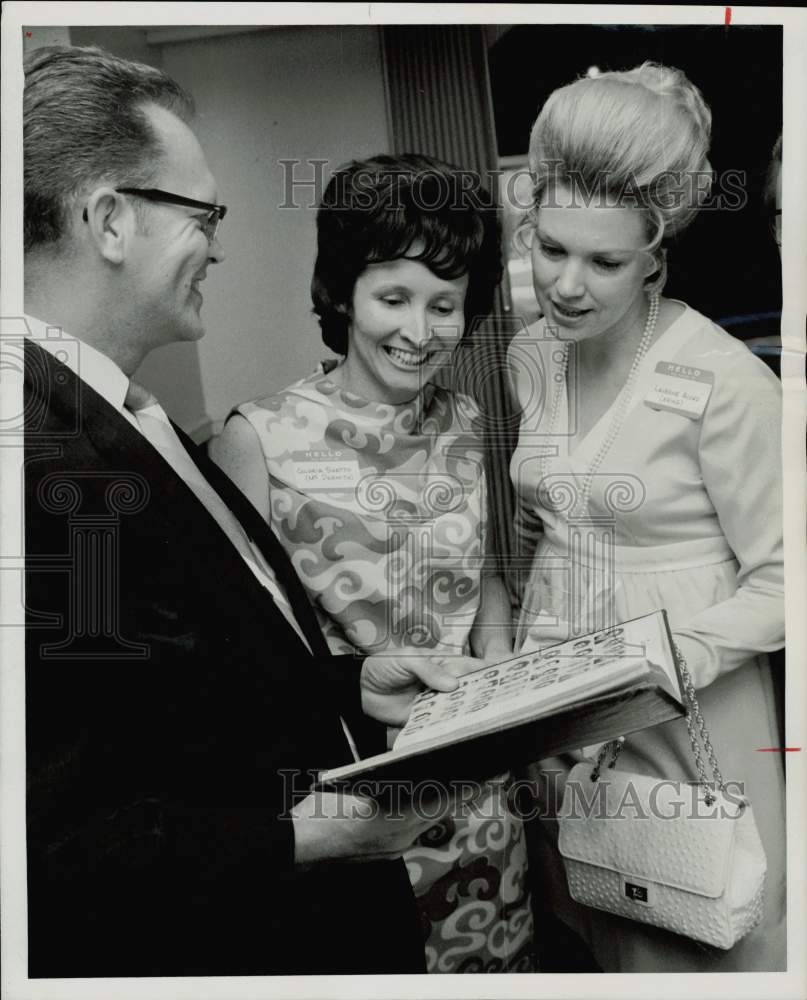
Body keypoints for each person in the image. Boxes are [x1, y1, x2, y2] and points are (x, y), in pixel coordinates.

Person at [21, 45, 484, 978]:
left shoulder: (123, 416)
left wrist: (351, 683)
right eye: (202, 214)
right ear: (111, 219)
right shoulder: (43, 461)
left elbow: (190, 692)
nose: (220, 244)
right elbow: (57, 844)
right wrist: (322, 835)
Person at [211, 155, 536, 972]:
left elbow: (486, 571)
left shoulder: (463, 418)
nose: (418, 332)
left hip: (478, 784)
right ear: (342, 295)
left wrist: (500, 674)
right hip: (355, 792)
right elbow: (244, 657)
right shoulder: (257, 438)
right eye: (392, 298)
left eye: (444, 306)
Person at [508, 63, 785, 972]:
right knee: (593, 920)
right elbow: (552, 518)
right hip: (559, 699)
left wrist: (660, 666)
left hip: (686, 705)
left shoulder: (725, 381)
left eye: (605, 261)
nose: (567, 285)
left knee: (695, 926)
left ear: (656, 255)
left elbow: (789, 575)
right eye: (550, 248)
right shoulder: (529, 356)